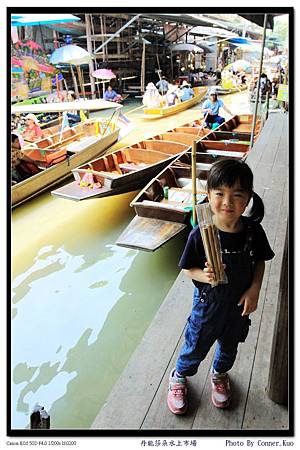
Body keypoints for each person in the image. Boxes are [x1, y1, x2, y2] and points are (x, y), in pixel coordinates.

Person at [167, 158, 274, 414]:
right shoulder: (200, 233)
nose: (227, 202)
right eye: (220, 194)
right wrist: (207, 277)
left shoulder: (252, 231)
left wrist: (255, 289)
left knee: (230, 346)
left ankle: (220, 374)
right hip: (208, 304)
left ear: (247, 199)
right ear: (208, 195)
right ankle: (179, 377)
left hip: (238, 305)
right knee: (196, 345)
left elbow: (260, 260)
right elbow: (186, 269)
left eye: (237, 195)